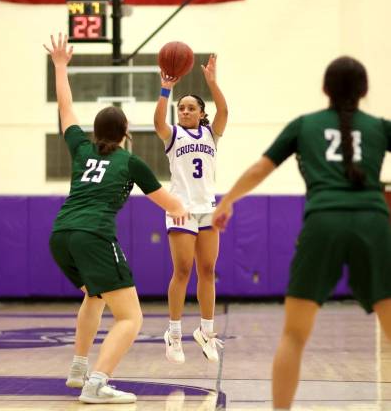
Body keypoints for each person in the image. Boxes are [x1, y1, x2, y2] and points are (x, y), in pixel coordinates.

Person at [212, 56, 391, 410]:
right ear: (365, 91)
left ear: (325, 89)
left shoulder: (304, 125)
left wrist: (227, 201)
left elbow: (260, 168)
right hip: (374, 224)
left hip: (322, 223)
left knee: (293, 336)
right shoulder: (380, 127)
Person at [44, 33, 186, 404]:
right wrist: (186, 207)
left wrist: (60, 66)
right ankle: (97, 383)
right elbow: (168, 203)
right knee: (131, 318)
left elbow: (65, 107)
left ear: (96, 131)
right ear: (126, 133)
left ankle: (78, 369)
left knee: (94, 295)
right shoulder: (129, 162)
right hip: (93, 235)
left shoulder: (80, 148)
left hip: (61, 234)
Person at [154, 54, 228, 364]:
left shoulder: (212, 133)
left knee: (208, 270)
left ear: (201, 113)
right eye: (181, 108)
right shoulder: (173, 135)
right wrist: (165, 91)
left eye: (190, 108)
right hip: (181, 208)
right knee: (183, 270)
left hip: (207, 207)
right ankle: (173, 333)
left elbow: (224, 110)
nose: (184, 111)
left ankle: (206, 332)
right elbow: (158, 122)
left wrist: (212, 82)